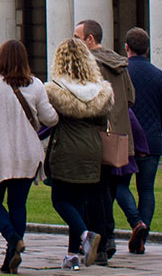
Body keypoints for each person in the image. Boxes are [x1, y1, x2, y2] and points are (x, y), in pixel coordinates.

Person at [0, 40, 59, 273]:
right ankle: (10, 259)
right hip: (27, 154)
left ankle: (12, 239)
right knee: (18, 205)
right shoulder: (36, 85)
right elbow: (51, 119)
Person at [46, 37, 113, 270]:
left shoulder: (55, 90)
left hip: (66, 147)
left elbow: (49, 119)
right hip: (93, 149)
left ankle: (86, 235)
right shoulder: (100, 91)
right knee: (78, 201)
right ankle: (72, 256)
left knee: (61, 200)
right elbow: (103, 121)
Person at [75, 19, 135, 266]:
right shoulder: (120, 63)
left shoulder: (90, 64)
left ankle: (101, 242)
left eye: (78, 37)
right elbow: (131, 97)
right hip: (117, 137)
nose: (75, 42)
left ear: (90, 39)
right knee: (106, 190)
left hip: (94, 135)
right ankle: (108, 238)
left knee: (94, 193)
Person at [116, 27, 162, 254]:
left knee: (120, 185)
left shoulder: (121, 72)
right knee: (147, 190)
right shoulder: (159, 75)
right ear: (147, 49)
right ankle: (142, 238)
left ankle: (136, 222)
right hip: (151, 140)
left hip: (126, 139)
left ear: (127, 48)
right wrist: (155, 127)